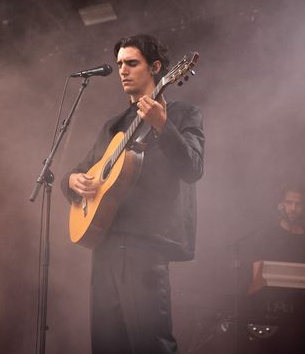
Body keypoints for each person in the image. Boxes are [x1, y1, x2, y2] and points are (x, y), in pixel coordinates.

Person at [62, 34, 205, 354]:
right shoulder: (113, 126)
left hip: (147, 244)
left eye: (131, 63)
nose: (122, 71)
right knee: (106, 344)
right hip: (105, 243)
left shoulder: (183, 113)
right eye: (119, 65)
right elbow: (77, 172)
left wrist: (162, 125)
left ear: (156, 68)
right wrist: (72, 181)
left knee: (150, 344)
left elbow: (193, 168)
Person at [242, 185, 305, 354]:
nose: (293, 208)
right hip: (271, 318)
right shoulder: (265, 236)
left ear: (304, 208)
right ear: (280, 205)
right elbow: (256, 282)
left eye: (298, 204)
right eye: (289, 203)